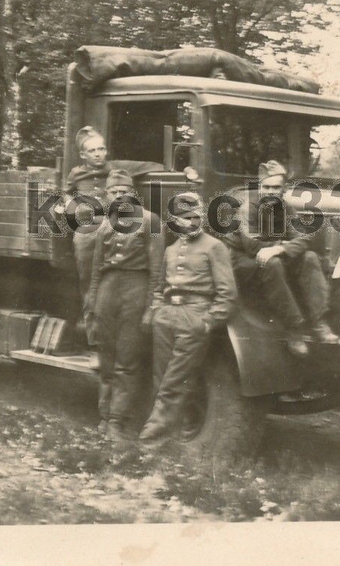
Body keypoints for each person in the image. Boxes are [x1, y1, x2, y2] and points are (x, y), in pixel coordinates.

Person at [139, 192, 237, 445]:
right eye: (185, 218)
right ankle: (177, 432)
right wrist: (158, 310)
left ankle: (151, 439)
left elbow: (227, 293)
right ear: (175, 221)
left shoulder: (214, 247)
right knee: (161, 378)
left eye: (196, 217)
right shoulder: (171, 250)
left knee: (174, 379)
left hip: (194, 316)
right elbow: (160, 287)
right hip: (167, 317)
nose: (192, 223)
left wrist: (208, 321)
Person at [222, 159, 338, 352]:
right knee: (273, 264)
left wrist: (279, 248)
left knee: (309, 257)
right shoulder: (248, 209)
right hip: (242, 261)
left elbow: (304, 239)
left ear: (283, 190)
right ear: (260, 188)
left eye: (275, 187)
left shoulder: (286, 209)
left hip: (270, 254)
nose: (270, 192)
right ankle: (293, 328)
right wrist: (281, 246)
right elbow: (252, 246)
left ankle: (319, 322)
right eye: (266, 187)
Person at [84, 170, 164, 441]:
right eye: (113, 192)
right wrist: (93, 305)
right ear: (107, 196)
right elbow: (96, 269)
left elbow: (156, 271)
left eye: (123, 191)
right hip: (108, 289)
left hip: (136, 288)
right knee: (106, 359)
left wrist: (151, 307)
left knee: (127, 360)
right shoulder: (104, 225)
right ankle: (104, 417)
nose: (119, 196)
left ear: (133, 193)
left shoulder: (150, 221)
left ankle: (118, 422)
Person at [63, 126, 162, 297]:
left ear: (106, 151)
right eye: (92, 150)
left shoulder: (117, 166)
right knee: (86, 270)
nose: (97, 154)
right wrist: (71, 203)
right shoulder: (76, 173)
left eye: (101, 149)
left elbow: (155, 166)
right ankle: (89, 309)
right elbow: (65, 191)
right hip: (88, 228)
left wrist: (187, 170)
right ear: (83, 155)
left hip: (113, 226)